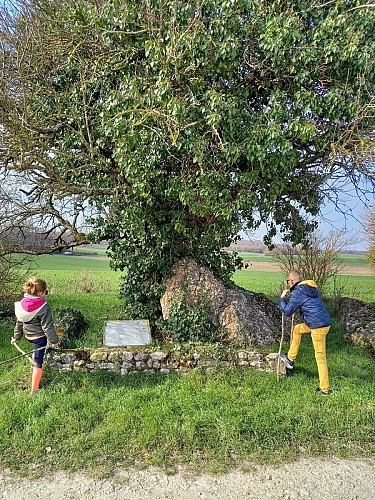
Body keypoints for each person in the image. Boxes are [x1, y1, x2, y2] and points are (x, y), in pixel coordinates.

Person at [279, 270, 331, 395]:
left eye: (288, 281)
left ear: (292, 281)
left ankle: (324, 389)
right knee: (297, 329)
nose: (288, 283)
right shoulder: (308, 288)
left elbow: (287, 311)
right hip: (321, 322)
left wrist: (282, 299)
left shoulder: (298, 292)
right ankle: (290, 359)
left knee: (320, 358)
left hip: (317, 326)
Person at [11, 278, 59, 395]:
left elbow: (19, 323)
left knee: (37, 352)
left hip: (28, 336)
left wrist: (16, 338)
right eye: (45, 292)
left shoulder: (22, 304)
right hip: (39, 339)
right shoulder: (44, 307)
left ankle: (36, 355)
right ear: (41, 293)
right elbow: (47, 327)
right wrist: (54, 341)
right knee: (38, 363)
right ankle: (34, 390)